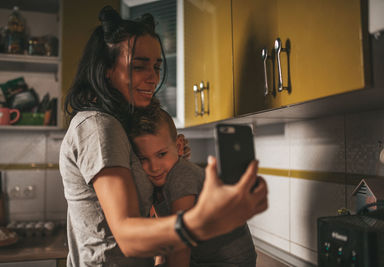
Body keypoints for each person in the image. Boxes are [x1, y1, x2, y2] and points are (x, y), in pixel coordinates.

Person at [59, 5, 268, 267]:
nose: (153, 78)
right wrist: (200, 222)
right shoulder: (100, 126)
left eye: (156, 67)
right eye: (139, 66)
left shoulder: (118, 127)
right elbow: (127, 236)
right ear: (106, 70)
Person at [129, 106, 257, 267]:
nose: (154, 167)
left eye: (161, 154)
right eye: (143, 159)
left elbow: (180, 245)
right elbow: (168, 235)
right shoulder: (155, 184)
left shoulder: (182, 175)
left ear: (179, 146)